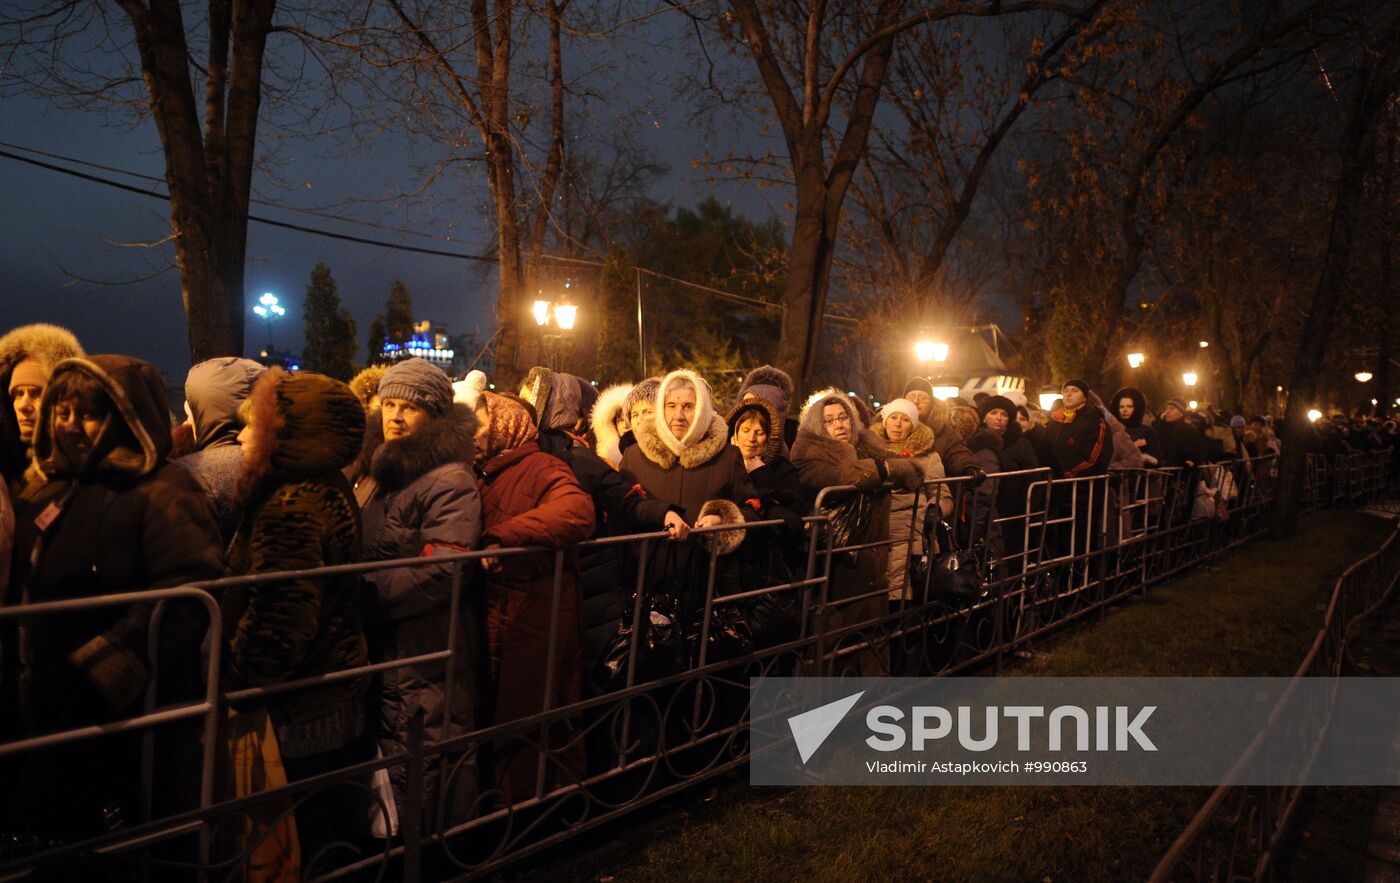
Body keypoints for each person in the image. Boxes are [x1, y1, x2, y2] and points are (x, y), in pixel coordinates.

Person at [5, 355, 223, 843]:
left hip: (128, 716)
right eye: (62, 412)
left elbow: (188, 590)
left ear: (126, 415)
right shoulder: (49, 488)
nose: (71, 427)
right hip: (44, 700)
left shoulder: (163, 490)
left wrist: (105, 668)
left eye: (88, 413)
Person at [225, 367, 370, 862]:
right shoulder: (322, 486)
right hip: (329, 694)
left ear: (289, 434)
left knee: (308, 839)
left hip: (300, 708)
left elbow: (282, 623)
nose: (242, 435)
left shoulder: (293, 504)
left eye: (256, 425)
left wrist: (237, 679)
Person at [349, 357, 481, 825]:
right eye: (389, 404)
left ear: (435, 415)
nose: (396, 415)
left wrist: (364, 593)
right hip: (384, 641)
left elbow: (445, 567)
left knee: (423, 745)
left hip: (423, 644)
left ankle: (433, 850)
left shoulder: (450, 477)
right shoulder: (375, 471)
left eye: (411, 406)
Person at [519, 368, 682, 686]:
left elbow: (627, 500)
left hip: (594, 582)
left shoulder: (579, 459)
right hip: (568, 582)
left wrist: (665, 513)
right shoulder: (541, 455)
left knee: (597, 671)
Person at [472, 391, 595, 798]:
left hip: (535, 612)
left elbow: (576, 510)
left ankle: (530, 817)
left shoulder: (543, 466)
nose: (472, 432)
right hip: (499, 610)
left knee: (528, 716)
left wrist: (504, 538)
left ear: (505, 425)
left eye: (480, 423)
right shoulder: (481, 471)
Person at [791, 389, 921, 674]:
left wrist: (890, 466)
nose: (839, 424)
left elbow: (912, 469)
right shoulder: (807, 453)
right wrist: (891, 468)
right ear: (816, 425)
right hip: (837, 563)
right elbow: (848, 475)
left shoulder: (868, 448)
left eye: (843, 417)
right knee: (835, 641)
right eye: (829, 421)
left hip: (873, 559)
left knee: (872, 637)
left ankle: (874, 706)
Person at [620, 369, 761, 584]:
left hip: (707, 580)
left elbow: (752, 510)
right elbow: (621, 512)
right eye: (671, 406)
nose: (678, 416)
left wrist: (722, 520)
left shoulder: (727, 456)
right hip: (647, 579)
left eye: (688, 407)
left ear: (703, 410)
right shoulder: (634, 456)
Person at [177, 356, 265, 542]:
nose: (186, 423)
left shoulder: (187, 475)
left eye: (191, 415)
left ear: (205, 415)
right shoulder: (281, 462)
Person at [872, 398, 952, 601]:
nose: (897, 424)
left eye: (905, 419)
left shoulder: (928, 457)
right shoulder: (869, 452)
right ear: (884, 421)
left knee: (900, 591)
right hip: (875, 530)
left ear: (914, 425)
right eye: (893, 418)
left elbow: (942, 494)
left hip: (910, 533)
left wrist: (936, 509)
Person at [0, 323, 84, 490]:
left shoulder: (83, 477)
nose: (23, 406)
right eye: (18, 394)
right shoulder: (8, 473)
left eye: (36, 394)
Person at [979, 395, 1040, 567]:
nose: (999, 417)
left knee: (1011, 559)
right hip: (984, 509)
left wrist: (1027, 509)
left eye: (1004, 414)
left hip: (1013, 513)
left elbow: (1034, 478)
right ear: (984, 416)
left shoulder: (1020, 444)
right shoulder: (976, 441)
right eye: (994, 412)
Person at [1041, 379, 1111, 479]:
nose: (1068, 394)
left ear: (1085, 397)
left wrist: (1067, 475)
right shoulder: (1053, 422)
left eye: (1075, 391)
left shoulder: (1094, 422)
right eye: (1066, 391)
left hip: (1080, 487)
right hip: (1052, 484)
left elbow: (1093, 459)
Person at [737, 364, 799, 451]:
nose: (751, 438)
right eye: (746, 430)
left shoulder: (792, 434)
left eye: (760, 432)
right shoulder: (727, 451)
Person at [1111, 387, 1162, 466]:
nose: (1125, 410)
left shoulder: (1148, 432)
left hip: (1139, 475)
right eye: (1121, 407)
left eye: (1129, 406)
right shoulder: (1111, 431)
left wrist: (1146, 458)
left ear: (1137, 408)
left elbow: (1158, 460)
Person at [590, 383, 633, 468]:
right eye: (621, 420)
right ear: (614, 425)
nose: (625, 425)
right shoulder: (604, 457)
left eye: (629, 420)